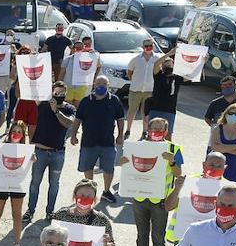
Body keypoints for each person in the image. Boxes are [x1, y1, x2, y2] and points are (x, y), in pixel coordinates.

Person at [120, 118, 183, 246]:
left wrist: (172, 161)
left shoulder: (173, 148)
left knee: (158, 238)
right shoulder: (137, 146)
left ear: (166, 131)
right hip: (139, 198)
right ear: (147, 129)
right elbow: (125, 165)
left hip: (160, 201)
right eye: (153, 127)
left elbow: (179, 174)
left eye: (160, 128)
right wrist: (123, 163)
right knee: (141, 234)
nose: (156, 130)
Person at [23, 81, 76, 225]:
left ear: (66, 94)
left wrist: (56, 111)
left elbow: (69, 123)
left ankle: (50, 211)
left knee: (54, 184)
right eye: (56, 93)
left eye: (62, 93)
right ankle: (30, 210)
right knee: (35, 183)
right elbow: (28, 108)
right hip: (40, 152)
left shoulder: (69, 108)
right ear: (51, 92)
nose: (58, 95)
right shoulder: (42, 105)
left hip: (58, 154)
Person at [70, 75, 125, 203]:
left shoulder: (114, 100)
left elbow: (120, 118)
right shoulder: (85, 101)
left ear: (108, 86)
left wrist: (121, 135)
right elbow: (78, 119)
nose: (101, 86)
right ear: (94, 84)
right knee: (88, 168)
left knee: (109, 169)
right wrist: (73, 135)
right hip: (88, 142)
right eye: (98, 83)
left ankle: (106, 191)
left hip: (107, 143)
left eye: (104, 84)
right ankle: (91, 191)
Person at [123, 39, 168, 138]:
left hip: (149, 90)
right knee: (132, 111)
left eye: (150, 46)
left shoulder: (157, 59)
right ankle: (128, 130)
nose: (148, 48)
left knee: (146, 113)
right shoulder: (136, 59)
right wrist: (135, 81)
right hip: (135, 89)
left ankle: (144, 131)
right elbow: (129, 72)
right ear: (143, 47)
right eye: (146, 46)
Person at [209, 102, 236, 190]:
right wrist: (235, 146)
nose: (233, 116)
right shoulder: (217, 128)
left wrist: (223, 148)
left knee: (234, 191)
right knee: (214, 190)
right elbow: (214, 148)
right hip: (217, 164)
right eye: (231, 113)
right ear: (226, 114)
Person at [145, 54, 182, 136]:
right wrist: (170, 53)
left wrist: (202, 61)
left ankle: (165, 150)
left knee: (168, 135)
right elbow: (156, 64)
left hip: (170, 110)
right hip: (155, 108)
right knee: (152, 134)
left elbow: (193, 75)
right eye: (166, 64)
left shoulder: (177, 78)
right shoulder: (158, 75)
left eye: (170, 65)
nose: (168, 66)